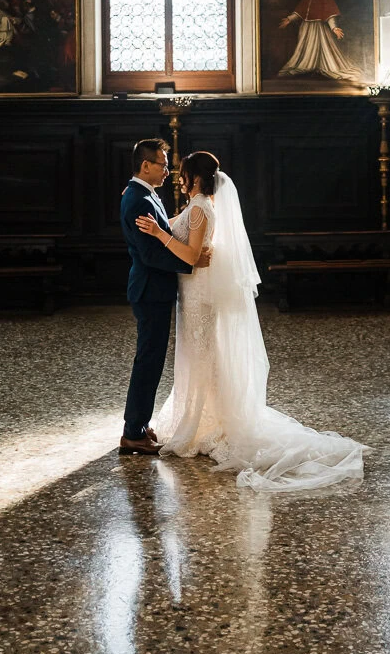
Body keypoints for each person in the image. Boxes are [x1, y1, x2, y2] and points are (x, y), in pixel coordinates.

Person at [136, 152, 366, 493]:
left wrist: (158, 233)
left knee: (201, 355)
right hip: (192, 292)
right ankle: (201, 416)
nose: (179, 179)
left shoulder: (200, 207)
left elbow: (190, 257)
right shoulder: (198, 204)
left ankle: (205, 421)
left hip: (198, 292)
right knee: (199, 355)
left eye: (183, 173)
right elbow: (194, 249)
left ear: (195, 178)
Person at [119, 138, 196, 456]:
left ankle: (139, 424)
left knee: (150, 360)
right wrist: (190, 262)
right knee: (148, 361)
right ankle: (132, 431)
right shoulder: (139, 199)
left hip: (152, 288)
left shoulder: (141, 193)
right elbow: (151, 254)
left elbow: (161, 232)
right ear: (146, 165)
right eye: (163, 165)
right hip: (151, 289)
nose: (168, 170)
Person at [278, 0, 367, 82]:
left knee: (323, 49)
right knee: (305, 49)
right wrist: (289, 19)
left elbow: (329, 15)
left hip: (319, 28)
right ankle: (307, 66)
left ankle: (318, 67)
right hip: (307, 28)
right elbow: (300, 11)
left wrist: (334, 28)